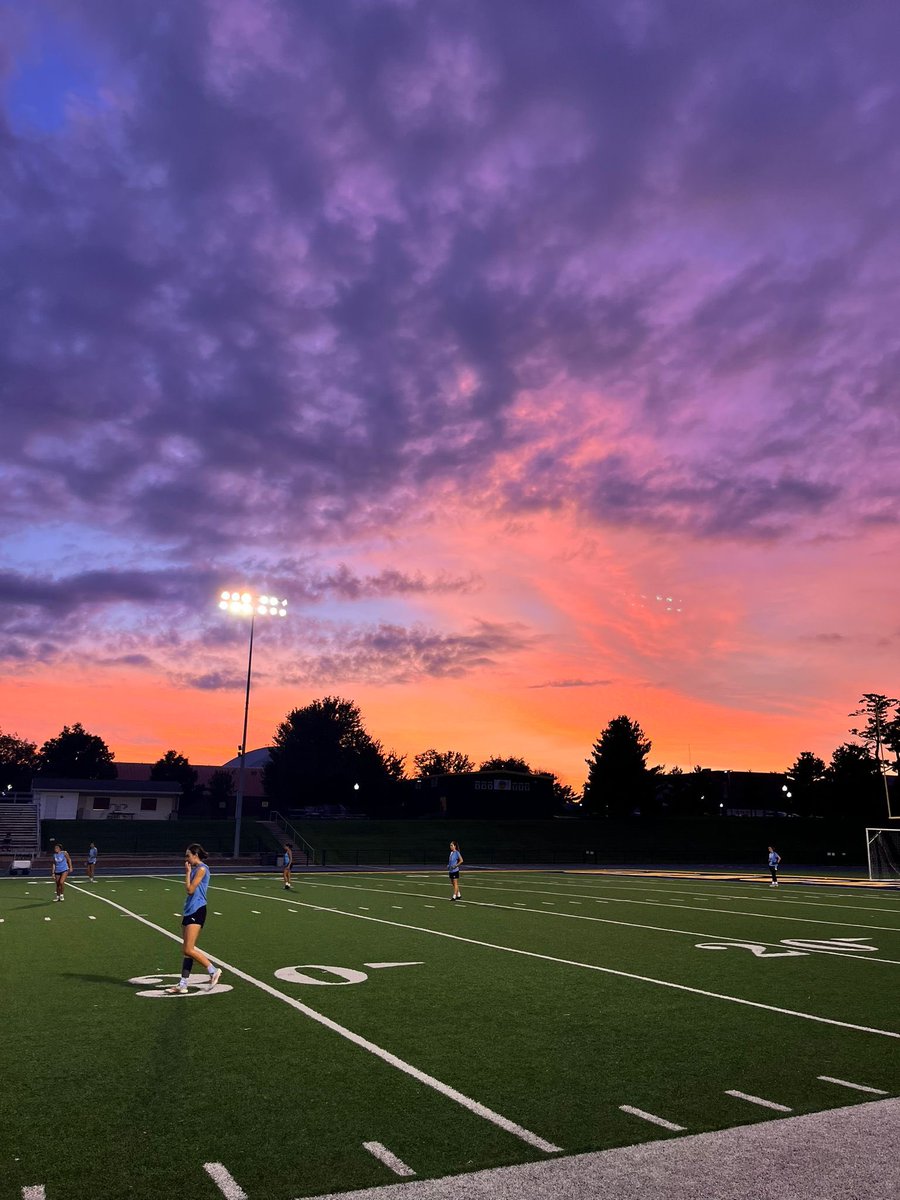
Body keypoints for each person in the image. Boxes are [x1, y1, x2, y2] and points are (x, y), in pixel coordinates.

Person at [167, 845, 222, 994]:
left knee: (188, 948)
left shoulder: (202, 869)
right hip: (189, 910)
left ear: (195, 855)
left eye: (188, 855)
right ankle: (183, 984)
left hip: (197, 910)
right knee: (187, 951)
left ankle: (213, 970)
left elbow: (190, 890)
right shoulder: (196, 869)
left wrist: (187, 873)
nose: (186, 859)